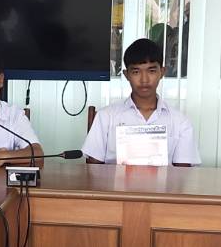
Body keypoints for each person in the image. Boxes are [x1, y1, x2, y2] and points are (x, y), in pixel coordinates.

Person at [83, 37, 201, 166]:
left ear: (162, 72)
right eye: (136, 72)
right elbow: (93, 171)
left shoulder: (180, 122)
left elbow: (182, 173)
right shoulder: (106, 117)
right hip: (114, 180)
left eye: (151, 71)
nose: (144, 80)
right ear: (126, 75)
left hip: (165, 180)